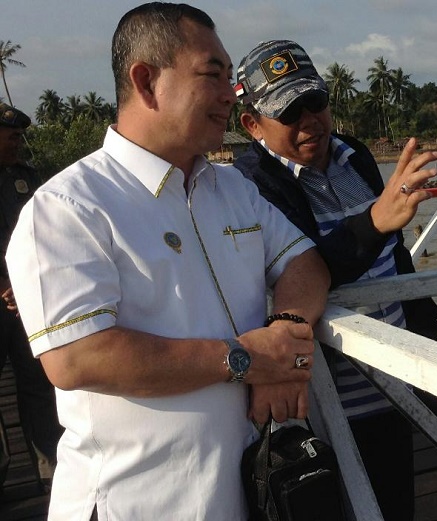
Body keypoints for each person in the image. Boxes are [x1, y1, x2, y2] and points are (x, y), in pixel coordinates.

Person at [5, 4, 330, 520]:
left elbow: (305, 263)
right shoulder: (70, 208)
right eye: (212, 74)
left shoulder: (232, 188)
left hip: (241, 495)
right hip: (136, 502)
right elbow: (77, 359)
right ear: (146, 82)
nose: (231, 93)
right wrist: (247, 359)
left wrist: (285, 334)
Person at [233, 39, 437, 521]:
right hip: (322, 400)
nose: (310, 121)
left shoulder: (354, 156)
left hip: (393, 380)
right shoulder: (251, 185)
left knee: (395, 506)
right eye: (289, 112)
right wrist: (375, 221)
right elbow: (304, 274)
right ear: (252, 124)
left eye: (316, 102)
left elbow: (395, 252)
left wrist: (425, 330)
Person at [0, 102, 63, 492]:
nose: (18, 143)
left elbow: (43, 232)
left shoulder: (26, 178)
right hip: (6, 295)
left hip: (25, 301)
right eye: (11, 137)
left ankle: (51, 470)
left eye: (20, 137)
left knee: (38, 383)